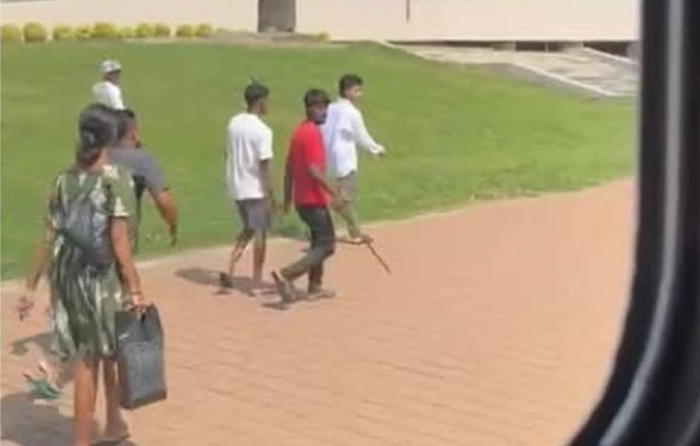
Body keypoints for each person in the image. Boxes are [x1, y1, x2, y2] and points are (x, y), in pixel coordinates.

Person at [17, 103, 144, 446]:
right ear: (110, 139)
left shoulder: (64, 179)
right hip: (101, 280)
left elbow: (48, 236)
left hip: (69, 276)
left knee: (108, 351)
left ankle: (114, 423)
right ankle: (82, 440)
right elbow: (120, 244)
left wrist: (30, 287)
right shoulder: (116, 180)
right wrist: (135, 289)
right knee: (90, 361)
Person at [272, 88, 340, 304]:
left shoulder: (298, 132)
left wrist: (287, 198)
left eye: (325, 108)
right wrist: (335, 193)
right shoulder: (311, 134)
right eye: (320, 108)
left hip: (302, 200)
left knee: (318, 243)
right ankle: (288, 274)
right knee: (327, 245)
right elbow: (314, 170)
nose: (324, 112)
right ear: (310, 109)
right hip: (312, 200)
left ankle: (315, 286)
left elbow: (289, 168)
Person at [220, 81, 275, 294]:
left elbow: (227, 152)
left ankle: (230, 267)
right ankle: (256, 281)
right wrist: (270, 194)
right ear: (260, 102)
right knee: (260, 233)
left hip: (236, 185)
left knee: (249, 228)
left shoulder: (233, 123)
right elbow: (264, 165)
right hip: (255, 188)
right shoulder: (263, 131)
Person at [321, 73, 386, 244]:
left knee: (342, 197)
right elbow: (361, 136)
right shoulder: (352, 113)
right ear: (347, 91)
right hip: (345, 161)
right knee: (344, 198)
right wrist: (376, 149)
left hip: (329, 159)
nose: (360, 94)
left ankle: (352, 231)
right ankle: (348, 232)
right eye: (357, 91)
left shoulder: (330, 108)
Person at [108, 108, 178, 249]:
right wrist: (172, 225)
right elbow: (163, 200)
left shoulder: (95, 156)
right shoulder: (140, 159)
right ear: (133, 132)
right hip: (121, 238)